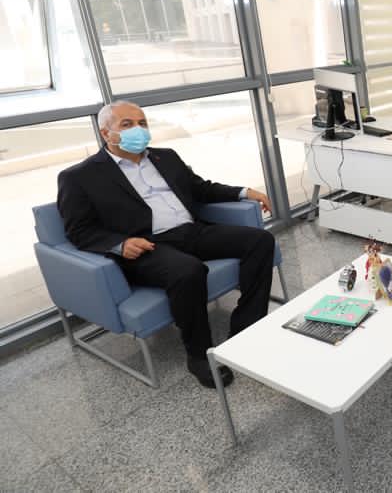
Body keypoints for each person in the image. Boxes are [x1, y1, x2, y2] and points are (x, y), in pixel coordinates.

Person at [57, 100, 276, 389]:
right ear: (106, 133)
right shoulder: (79, 177)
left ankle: (246, 330)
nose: (138, 130)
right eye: (127, 124)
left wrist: (243, 192)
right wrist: (120, 244)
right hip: (146, 246)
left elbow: (200, 188)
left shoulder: (166, 157)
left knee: (260, 240)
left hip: (191, 231)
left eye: (142, 123)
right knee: (188, 271)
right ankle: (199, 354)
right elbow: (79, 230)